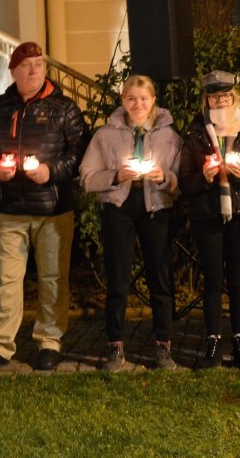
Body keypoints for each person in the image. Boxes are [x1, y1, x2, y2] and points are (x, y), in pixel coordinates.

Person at [0, 42, 89, 373]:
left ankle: (49, 342)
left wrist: (51, 171)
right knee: (5, 280)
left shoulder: (64, 108)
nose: (34, 69)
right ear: (14, 71)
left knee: (52, 278)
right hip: (10, 208)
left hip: (53, 209)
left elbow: (80, 151)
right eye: (27, 65)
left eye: (39, 64)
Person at [80, 75, 182, 371]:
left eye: (144, 98)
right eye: (131, 98)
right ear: (122, 100)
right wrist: (115, 176)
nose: (138, 104)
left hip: (156, 208)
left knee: (160, 278)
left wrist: (164, 177)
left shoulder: (169, 135)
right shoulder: (105, 135)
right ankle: (115, 345)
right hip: (119, 208)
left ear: (153, 101)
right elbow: (86, 177)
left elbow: (179, 178)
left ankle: (163, 345)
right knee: (118, 278)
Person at [179, 71, 240, 369]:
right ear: (207, 100)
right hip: (207, 215)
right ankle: (212, 344)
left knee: (238, 282)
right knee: (213, 282)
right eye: (214, 96)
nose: (220, 100)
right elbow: (184, 182)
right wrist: (203, 177)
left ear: (234, 97)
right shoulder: (195, 133)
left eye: (225, 95)